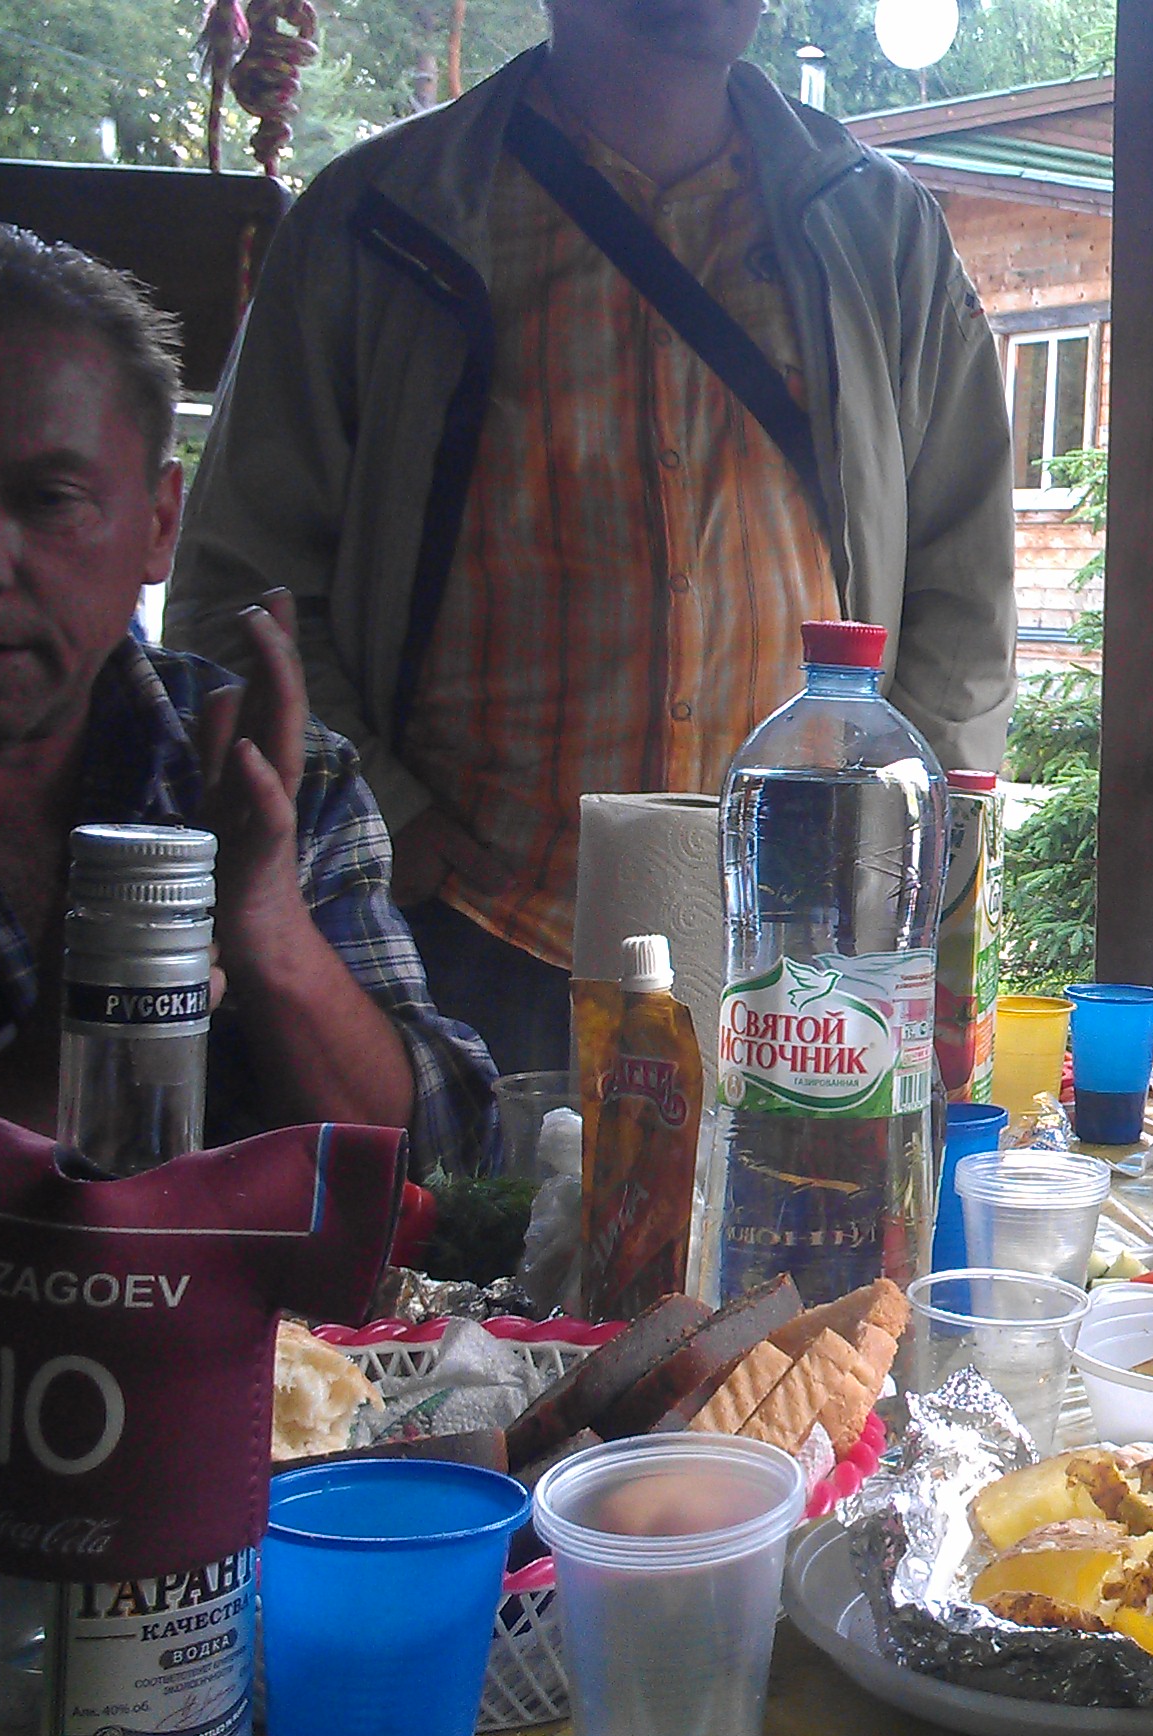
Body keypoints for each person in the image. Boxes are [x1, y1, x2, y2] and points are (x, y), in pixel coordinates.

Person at [0, 222, 493, 1452]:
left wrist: (267, 935)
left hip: (292, 1464)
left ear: (157, 522)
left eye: (49, 499)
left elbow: (447, 1183)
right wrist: (78, 1048)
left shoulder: (255, 768)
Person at [170, 0, 1016, 1073]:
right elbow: (240, 595)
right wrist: (382, 817)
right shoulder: (375, 221)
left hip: (796, 968)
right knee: (457, 1193)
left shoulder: (882, 234)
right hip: (461, 943)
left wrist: (900, 879)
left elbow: (964, 600)